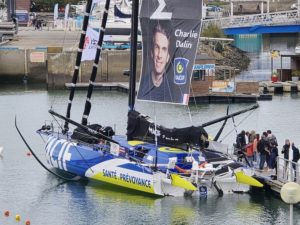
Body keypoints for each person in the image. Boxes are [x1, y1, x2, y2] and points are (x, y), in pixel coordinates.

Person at [137, 22, 174, 102]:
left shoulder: (173, 89)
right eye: (157, 47)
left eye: (164, 49)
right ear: (151, 52)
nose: (159, 55)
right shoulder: (143, 84)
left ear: (168, 57)